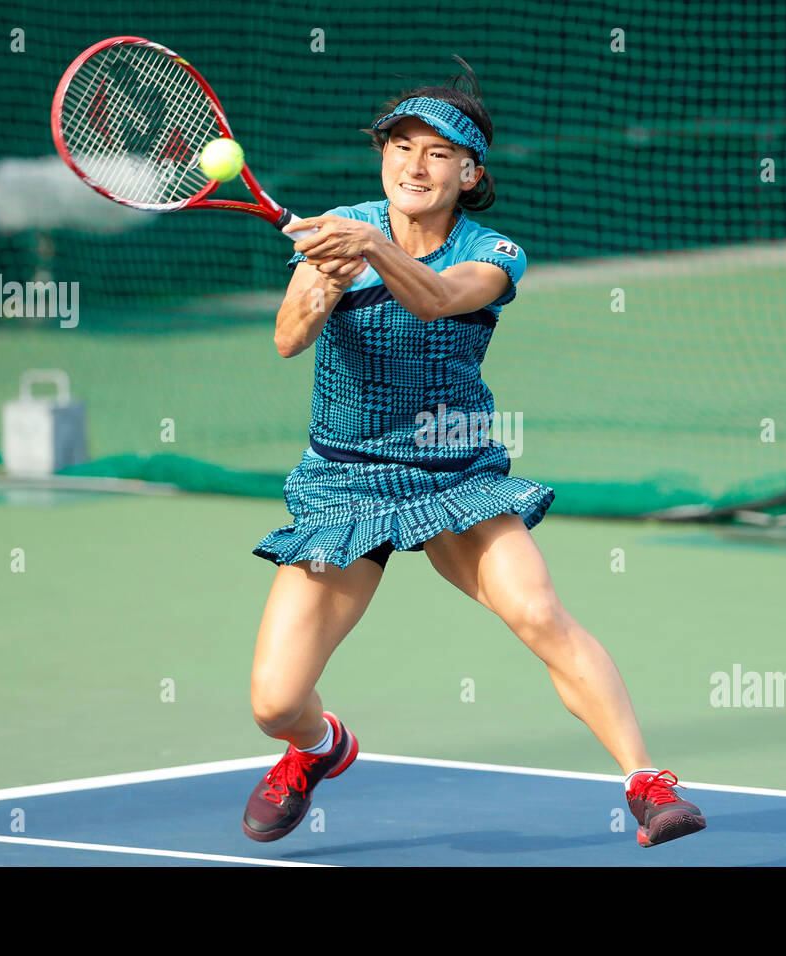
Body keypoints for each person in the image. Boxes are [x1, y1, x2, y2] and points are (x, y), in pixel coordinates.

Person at [243, 63, 706, 849]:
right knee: (273, 703)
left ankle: (648, 785)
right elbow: (290, 339)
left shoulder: (494, 251)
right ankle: (319, 748)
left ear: (470, 172)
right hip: (344, 482)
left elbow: (433, 299)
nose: (414, 165)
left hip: (455, 475)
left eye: (437, 152)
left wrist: (372, 253)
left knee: (537, 613)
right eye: (400, 147)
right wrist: (324, 277)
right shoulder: (339, 229)